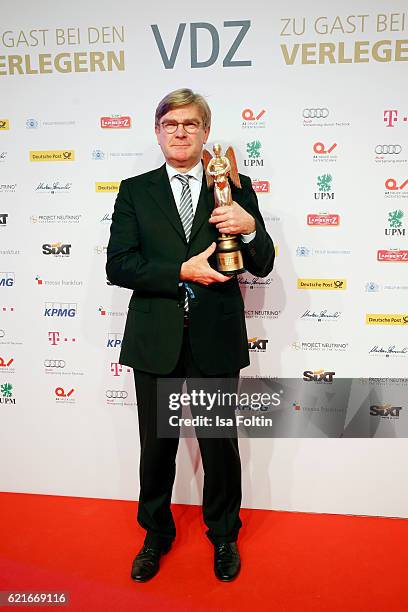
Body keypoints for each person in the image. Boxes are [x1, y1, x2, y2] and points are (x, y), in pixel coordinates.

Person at [106, 88, 275, 582]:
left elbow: (261, 263)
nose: (181, 132)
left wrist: (248, 229)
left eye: (191, 125)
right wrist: (182, 270)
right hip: (156, 339)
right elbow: (119, 265)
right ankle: (156, 534)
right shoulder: (135, 190)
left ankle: (223, 535)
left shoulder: (236, 188)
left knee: (218, 444)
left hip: (214, 340)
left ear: (206, 132)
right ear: (158, 132)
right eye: (171, 124)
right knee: (155, 446)